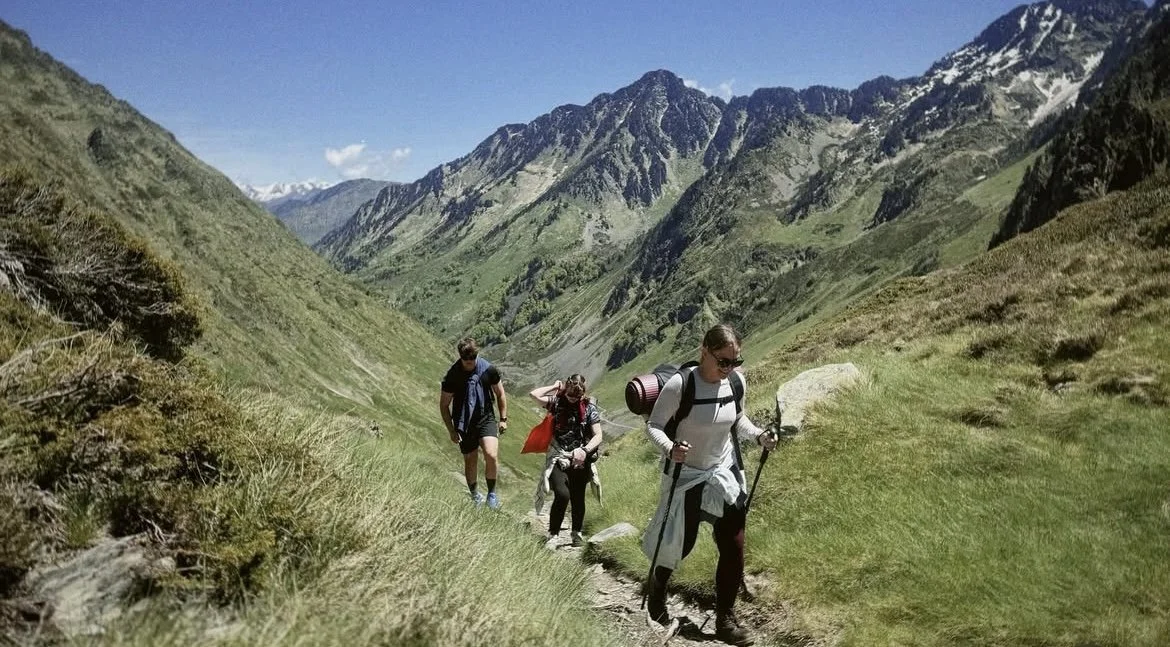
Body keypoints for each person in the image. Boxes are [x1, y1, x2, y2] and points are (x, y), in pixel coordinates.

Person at [642, 324, 777, 647]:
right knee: (680, 543)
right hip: (686, 476)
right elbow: (655, 425)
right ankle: (657, 592)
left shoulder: (734, 382)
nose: (729, 368)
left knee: (734, 543)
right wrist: (670, 449)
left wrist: (758, 435)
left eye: (735, 362)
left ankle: (725, 619)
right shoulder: (681, 385)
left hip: (720, 472)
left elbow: (738, 419)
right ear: (704, 351)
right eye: (723, 361)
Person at [529, 374, 603, 547]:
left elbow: (598, 434)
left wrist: (584, 451)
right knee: (562, 494)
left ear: (582, 395)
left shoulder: (589, 408)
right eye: (569, 395)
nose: (572, 399)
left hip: (580, 457)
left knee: (578, 497)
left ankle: (576, 533)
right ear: (565, 390)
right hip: (558, 456)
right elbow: (534, 395)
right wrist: (554, 386)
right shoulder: (556, 402)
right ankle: (553, 534)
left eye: (576, 397)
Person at [440, 338, 508, 509]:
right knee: (470, 459)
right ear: (461, 358)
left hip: (486, 418)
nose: (470, 364)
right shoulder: (453, 375)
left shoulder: (488, 370)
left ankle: (492, 494)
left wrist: (503, 419)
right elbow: (444, 405)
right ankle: (475, 495)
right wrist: (451, 431)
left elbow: (500, 394)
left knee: (491, 455)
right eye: (466, 362)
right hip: (464, 422)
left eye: (473, 361)